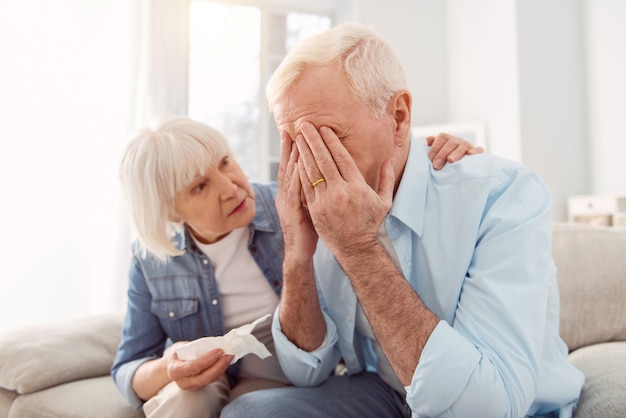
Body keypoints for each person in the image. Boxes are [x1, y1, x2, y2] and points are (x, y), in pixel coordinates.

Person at [221, 22, 584, 418]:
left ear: (398, 117)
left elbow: (484, 408)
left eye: (327, 141)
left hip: (504, 405)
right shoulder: (315, 205)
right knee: (249, 412)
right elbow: (308, 371)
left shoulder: (503, 195)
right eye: (294, 145)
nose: (309, 169)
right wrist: (297, 256)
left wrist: (358, 249)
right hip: (388, 394)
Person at [111, 114, 476, 417]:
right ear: (172, 212)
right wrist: (168, 367)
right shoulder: (151, 262)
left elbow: (382, 192)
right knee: (182, 399)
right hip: (215, 380)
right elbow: (128, 367)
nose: (231, 187)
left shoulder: (295, 205)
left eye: (224, 162)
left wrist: (434, 160)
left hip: (303, 378)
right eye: (200, 187)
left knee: (245, 411)